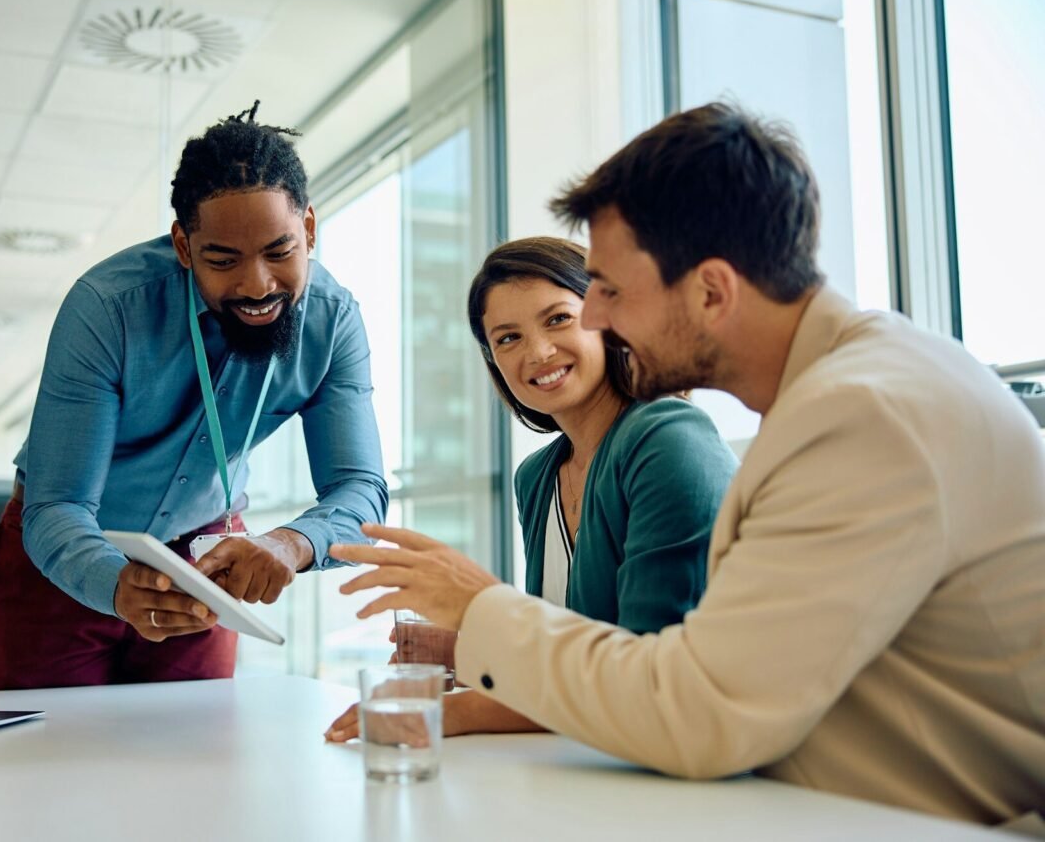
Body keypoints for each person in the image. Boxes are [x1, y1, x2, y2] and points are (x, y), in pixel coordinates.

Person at [332, 103, 1045, 826]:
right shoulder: (844, 390)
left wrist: (480, 605)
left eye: (607, 291)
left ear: (711, 291)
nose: (597, 320)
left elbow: (699, 709)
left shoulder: (861, 416)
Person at [0, 102, 388, 690]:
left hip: (200, 564)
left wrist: (289, 543)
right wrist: (113, 583)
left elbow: (360, 487)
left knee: (195, 762)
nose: (257, 285)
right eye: (223, 260)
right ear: (184, 245)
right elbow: (58, 504)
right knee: (46, 764)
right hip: (60, 561)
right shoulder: (106, 309)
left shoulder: (334, 320)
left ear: (310, 230)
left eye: (280, 251)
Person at [324, 237, 736, 742]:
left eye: (558, 319)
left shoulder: (666, 440)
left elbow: (640, 681)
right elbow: (570, 651)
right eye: (507, 338)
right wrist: (464, 648)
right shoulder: (538, 477)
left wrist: (444, 711)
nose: (538, 352)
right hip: (594, 765)